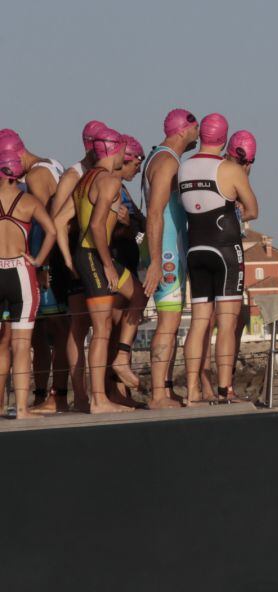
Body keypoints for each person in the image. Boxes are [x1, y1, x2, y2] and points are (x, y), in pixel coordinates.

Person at [178, 113, 258, 403]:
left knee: (199, 322)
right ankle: (226, 389)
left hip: (195, 249)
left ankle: (192, 390)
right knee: (226, 322)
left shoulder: (184, 168)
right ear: (224, 140)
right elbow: (252, 209)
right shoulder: (228, 169)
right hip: (224, 250)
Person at [68, 128, 148, 413]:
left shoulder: (84, 179)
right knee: (101, 330)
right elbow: (96, 226)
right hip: (93, 256)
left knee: (139, 296)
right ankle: (99, 398)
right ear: (115, 151)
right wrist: (105, 264)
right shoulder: (109, 181)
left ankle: (122, 357)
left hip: (87, 254)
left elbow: (72, 220)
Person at [0, 130, 71, 410]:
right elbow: (51, 228)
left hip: (9, 269)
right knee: (23, 342)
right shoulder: (36, 187)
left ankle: (10, 404)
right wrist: (39, 261)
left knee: (4, 341)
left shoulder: (36, 176)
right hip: (23, 270)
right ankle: (29, 405)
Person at [48, 120, 108, 412]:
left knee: (101, 324)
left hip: (91, 258)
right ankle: (82, 396)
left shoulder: (103, 173)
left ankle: (102, 393)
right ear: (89, 145)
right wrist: (68, 260)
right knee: (79, 327)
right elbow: (55, 220)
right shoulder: (74, 175)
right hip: (75, 257)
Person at [141, 109, 199, 409]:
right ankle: (157, 394)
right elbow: (154, 213)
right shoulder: (165, 163)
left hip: (168, 251)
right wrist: (154, 261)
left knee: (172, 322)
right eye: (195, 127)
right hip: (165, 254)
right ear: (182, 130)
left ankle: (163, 388)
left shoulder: (161, 158)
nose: (198, 132)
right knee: (167, 322)